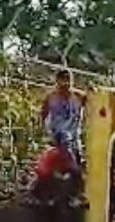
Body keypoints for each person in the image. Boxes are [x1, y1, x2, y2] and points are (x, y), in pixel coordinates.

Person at [39, 69, 86, 207]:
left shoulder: (79, 97)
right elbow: (43, 114)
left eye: (68, 81)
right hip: (58, 137)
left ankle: (75, 195)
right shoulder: (51, 98)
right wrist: (44, 131)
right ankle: (51, 195)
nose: (65, 85)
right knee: (56, 167)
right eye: (62, 81)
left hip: (73, 137)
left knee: (75, 167)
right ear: (57, 82)